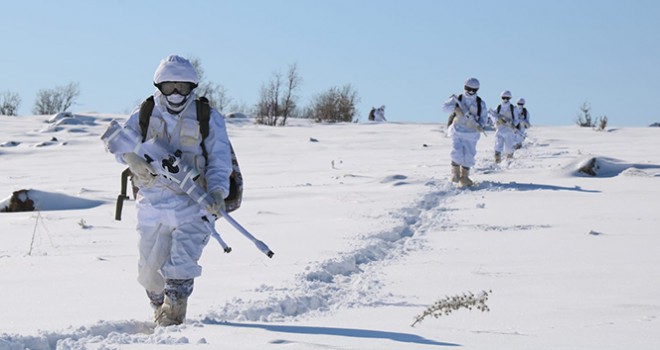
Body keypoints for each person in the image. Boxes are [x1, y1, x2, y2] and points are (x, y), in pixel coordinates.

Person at [114, 54, 233, 326]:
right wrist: (129, 158)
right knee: (149, 273)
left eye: (182, 86)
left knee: (180, 264)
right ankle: (159, 309)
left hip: (194, 203)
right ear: (159, 86)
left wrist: (216, 192)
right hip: (152, 203)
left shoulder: (208, 116)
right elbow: (118, 142)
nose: (176, 93)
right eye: (170, 87)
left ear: (192, 87)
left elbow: (219, 159)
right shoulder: (144, 112)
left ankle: (174, 320)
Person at [443, 77, 487, 187]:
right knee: (456, 152)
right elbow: (444, 107)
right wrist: (456, 109)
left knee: (469, 156)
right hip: (457, 130)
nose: (471, 92)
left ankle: (465, 178)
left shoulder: (480, 103)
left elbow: (483, 119)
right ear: (464, 87)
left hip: (471, 134)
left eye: (474, 90)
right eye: (469, 89)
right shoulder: (458, 98)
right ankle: (455, 174)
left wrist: (479, 126)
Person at [489, 90, 520, 163]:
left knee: (509, 148)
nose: (505, 100)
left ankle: (509, 162)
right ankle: (497, 160)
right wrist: (497, 120)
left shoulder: (513, 108)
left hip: (509, 131)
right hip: (500, 129)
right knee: (497, 145)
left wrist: (513, 124)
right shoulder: (498, 107)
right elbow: (492, 115)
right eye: (504, 98)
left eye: (507, 98)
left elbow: (516, 119)